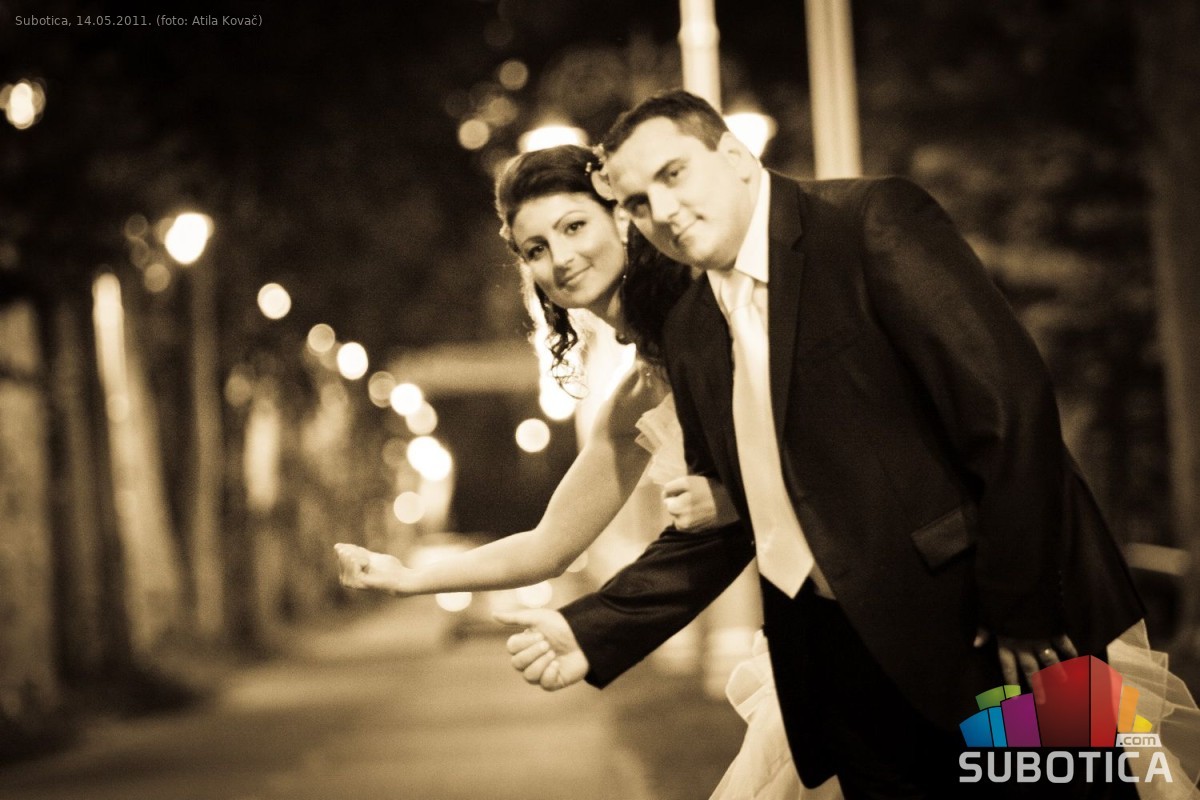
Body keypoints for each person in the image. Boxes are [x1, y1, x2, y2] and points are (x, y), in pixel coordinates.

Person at [500, 90, 1155, 799]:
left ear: (734, 155)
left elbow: (1009, 408)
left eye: (674, 174)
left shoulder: (869, 222)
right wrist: (594, 630)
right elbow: (732, 530)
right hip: (847, 674)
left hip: (994, 635)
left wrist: (1021, 610)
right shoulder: (690, 330)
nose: (663, 210)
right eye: (636, 201)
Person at [333, 143, 841, 799]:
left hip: (886, 599)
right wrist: (410, 579)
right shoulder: (637, 394)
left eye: (574, 226)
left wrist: (733, 497)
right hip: (818, 632)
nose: (561, 257)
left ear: (622, 219)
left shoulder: (723, 314)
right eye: (536, 248)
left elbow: (830, 446)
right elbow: (550, 544)